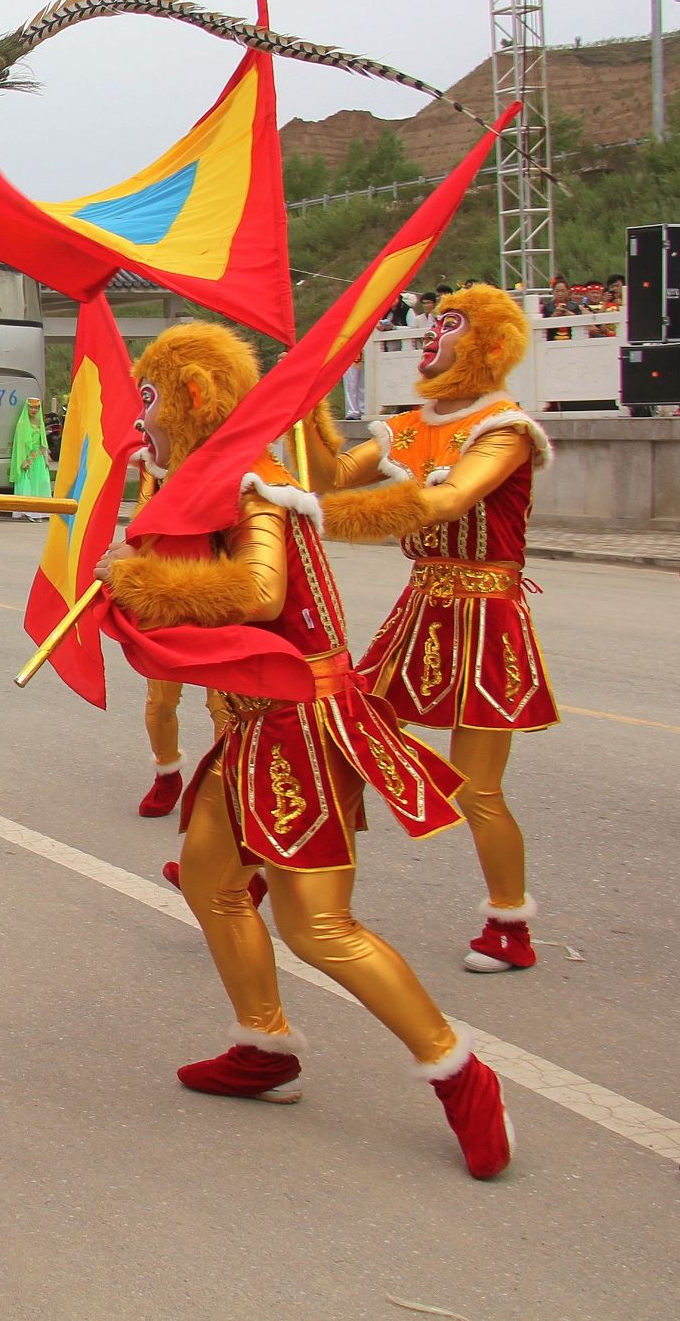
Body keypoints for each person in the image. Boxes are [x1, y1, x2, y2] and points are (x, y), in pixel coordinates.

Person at [96, 322, 512, 1180]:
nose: (142, 422)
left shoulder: (254, 483)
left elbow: (258, 590)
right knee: (211, 880)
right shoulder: (199, 481)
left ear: (194, 399)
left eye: (150, 402)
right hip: (251, 726)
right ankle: (266, 1047)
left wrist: (140, 584)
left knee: (319, 926)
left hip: (297, 726)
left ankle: (459, 1071)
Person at [312, 285, 558, 973]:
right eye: (433, 320)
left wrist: (324, 522)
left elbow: (447, 498)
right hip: (419, 609)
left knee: (476, 788)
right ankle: (263, 870)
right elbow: (326, 475)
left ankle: (509, 925)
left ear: (489, 346)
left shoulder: (504, 429)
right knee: (339, 739)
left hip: (486, 616)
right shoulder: (410, 423)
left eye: (449, 324)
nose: (429, 333)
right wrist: (307, 403)